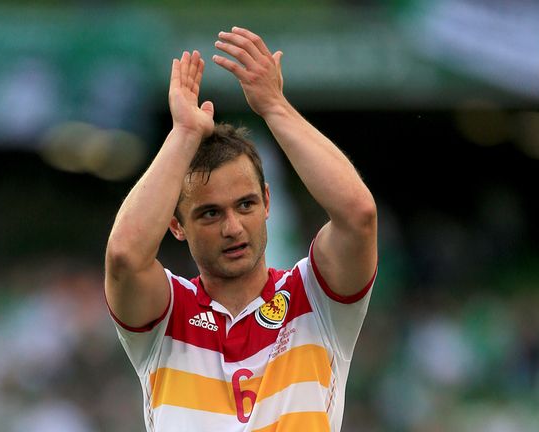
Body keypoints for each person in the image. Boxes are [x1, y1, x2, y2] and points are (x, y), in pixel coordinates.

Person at [105, 26, 378, 432]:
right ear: (177, 226)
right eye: (210, 214)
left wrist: (274, 106)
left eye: (246, 205)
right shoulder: (167, 314)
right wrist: (183, 135)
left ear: (268, 202)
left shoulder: (314, 300)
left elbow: (358, 216)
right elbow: (125, 256)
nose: (233, 227)